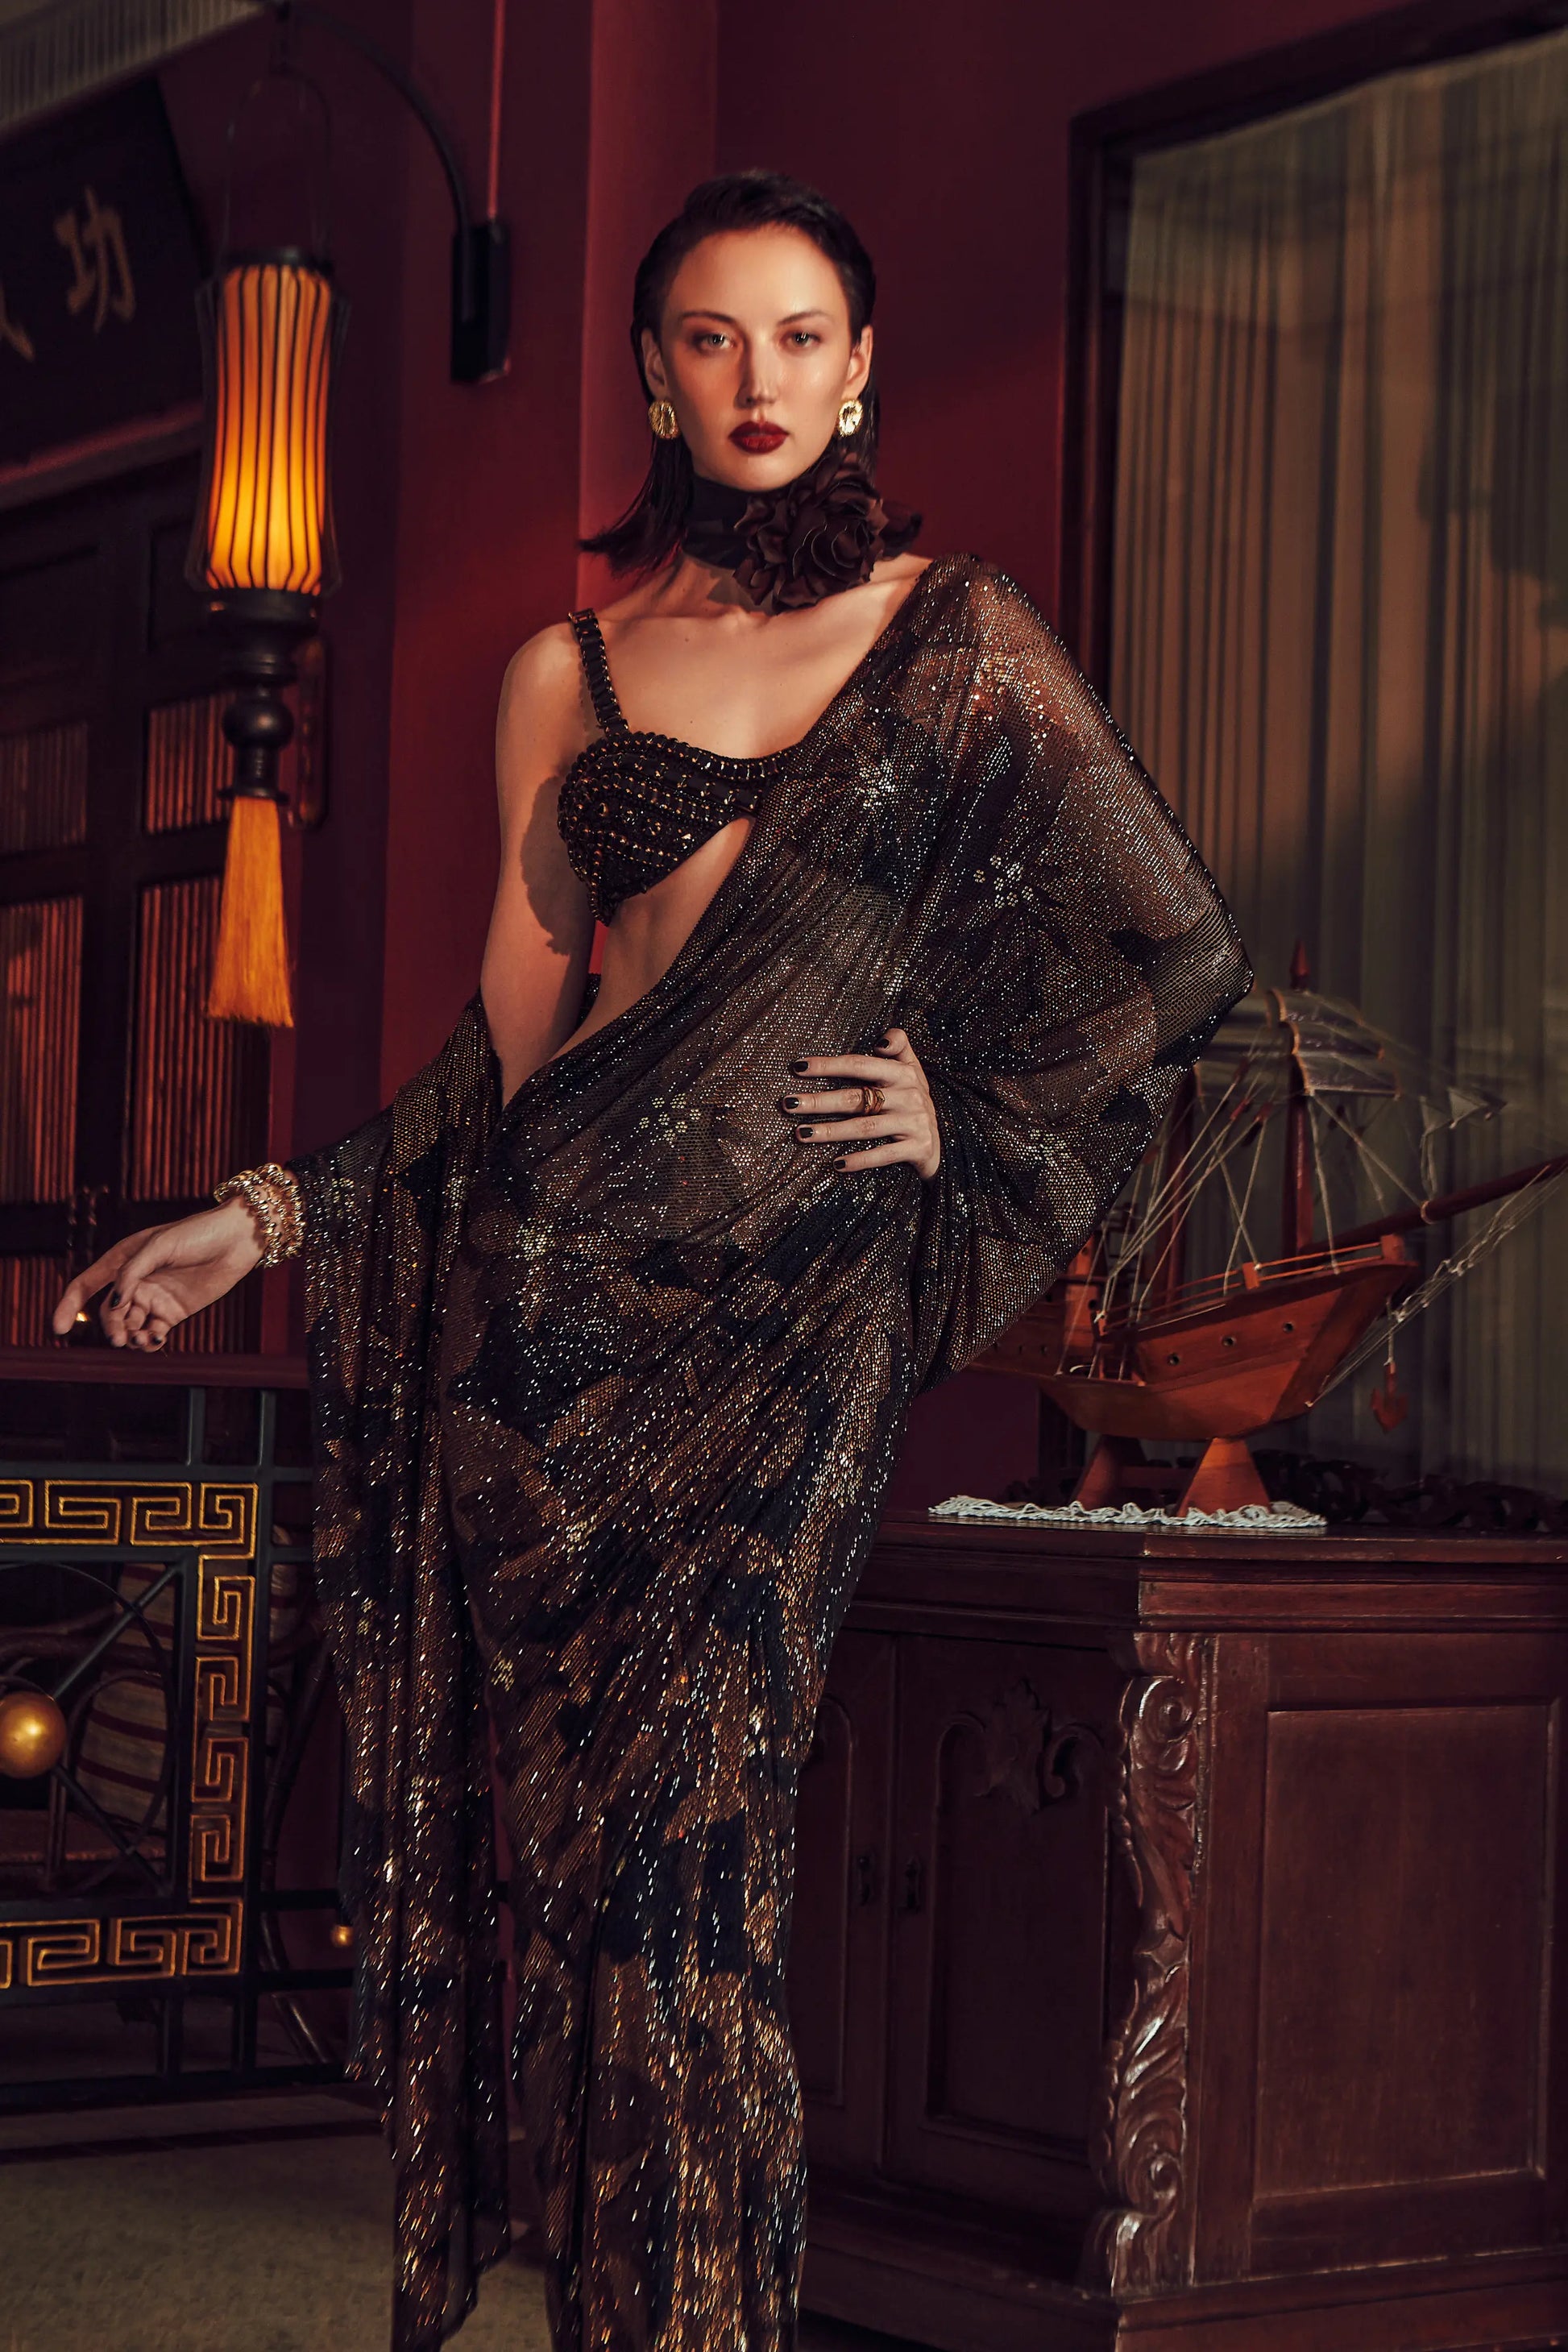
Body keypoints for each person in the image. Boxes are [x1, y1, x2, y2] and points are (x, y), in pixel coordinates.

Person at [52, 172, 1251, 2352]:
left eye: (798, 337)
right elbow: (499, 1060)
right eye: (711, 338)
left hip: (789, 1333)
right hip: (551, 1321)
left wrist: (967, 1109)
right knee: (600, 1892)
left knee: (700, 1872)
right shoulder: (570, 668)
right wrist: (262, 1216)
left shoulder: (963, 640)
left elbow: (1176, 952)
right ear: (650, 374)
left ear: (861, 370)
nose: (756, 378)